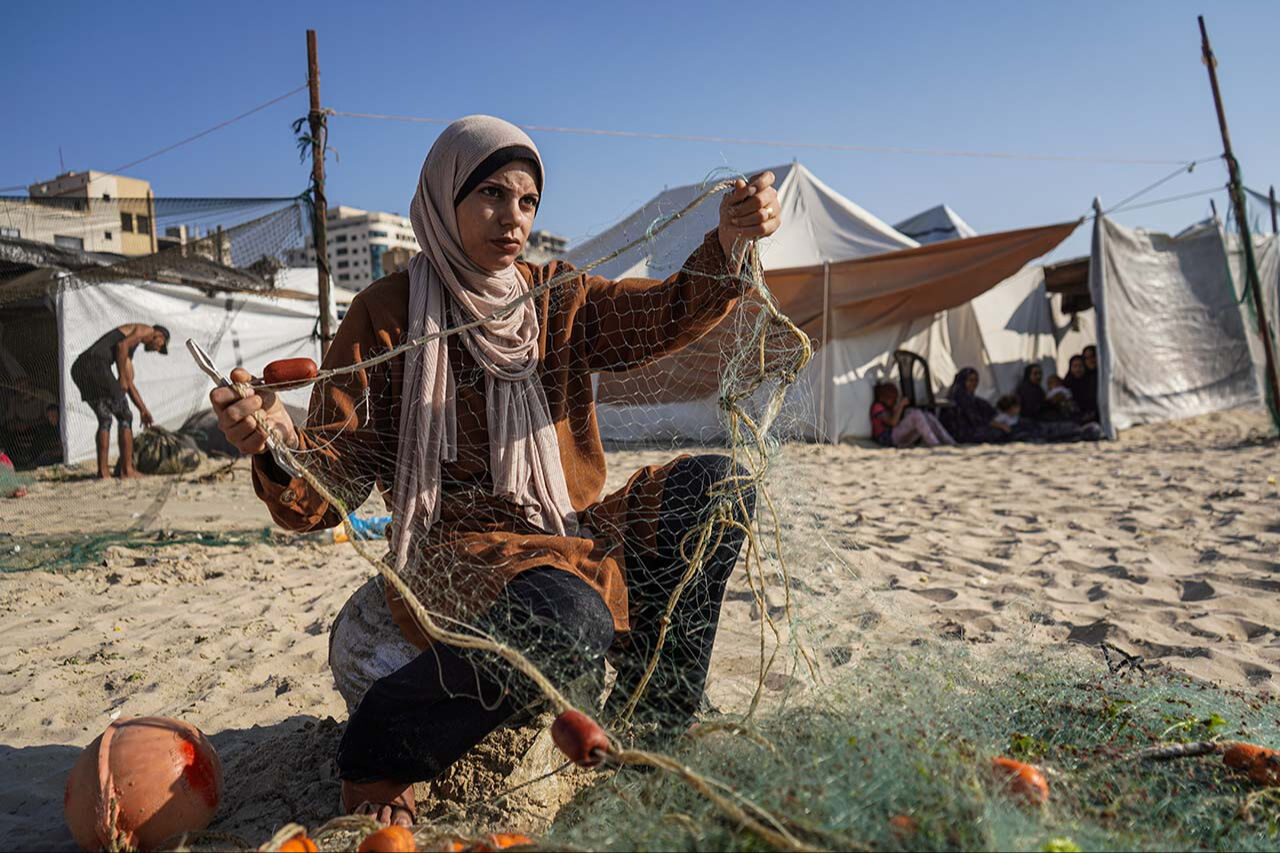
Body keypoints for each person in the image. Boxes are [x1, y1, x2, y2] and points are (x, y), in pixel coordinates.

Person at [209, 116, 783, 827]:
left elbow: (656, 315)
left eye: (528, 201)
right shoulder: (386, 314)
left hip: (566, 531)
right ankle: (383, 745)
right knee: (572, 617)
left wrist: (729, 240)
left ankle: (654, 722)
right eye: (491, 195)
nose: (513, 219)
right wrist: (274, 443)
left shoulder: (555, 297)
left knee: (719, 490)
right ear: (443, 196)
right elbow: (330, 482)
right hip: (454, 551)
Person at [70, 323, 168, 478]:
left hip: (80, 368)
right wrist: (121, 376)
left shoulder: (129, 351)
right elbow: (121, 345)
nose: (157, 350)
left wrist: (143, 409)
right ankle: (127, 470)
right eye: (160, 346)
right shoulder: (146, 330)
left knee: (105, 419)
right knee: (125, 416)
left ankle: (103, 472)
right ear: (159, 336)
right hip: (97, 365)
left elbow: (128, 384)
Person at [869, 382, 955, 447]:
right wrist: (900, 405)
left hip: (896, 438)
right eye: (892, 399)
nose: (894, 401)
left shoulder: (887, 408)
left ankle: (949, 441)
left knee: (926, 416)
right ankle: (934, 443)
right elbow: (893, 422)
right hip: (887, 439)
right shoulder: (878, 407)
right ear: (883, 397)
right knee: (916, 414)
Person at [940, 367, 1004, 444]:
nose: (974, 383)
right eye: (970, 380)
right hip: (962, 434)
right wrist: (997, 425)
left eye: (976, 380)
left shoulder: (970, 398)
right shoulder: (958, 399)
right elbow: (975, 420)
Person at [1062, 354, 1098, 423]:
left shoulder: (1091, 382)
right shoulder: (1066, 383)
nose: (1077, 369)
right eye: (1075, 366)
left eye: (1080, 366)